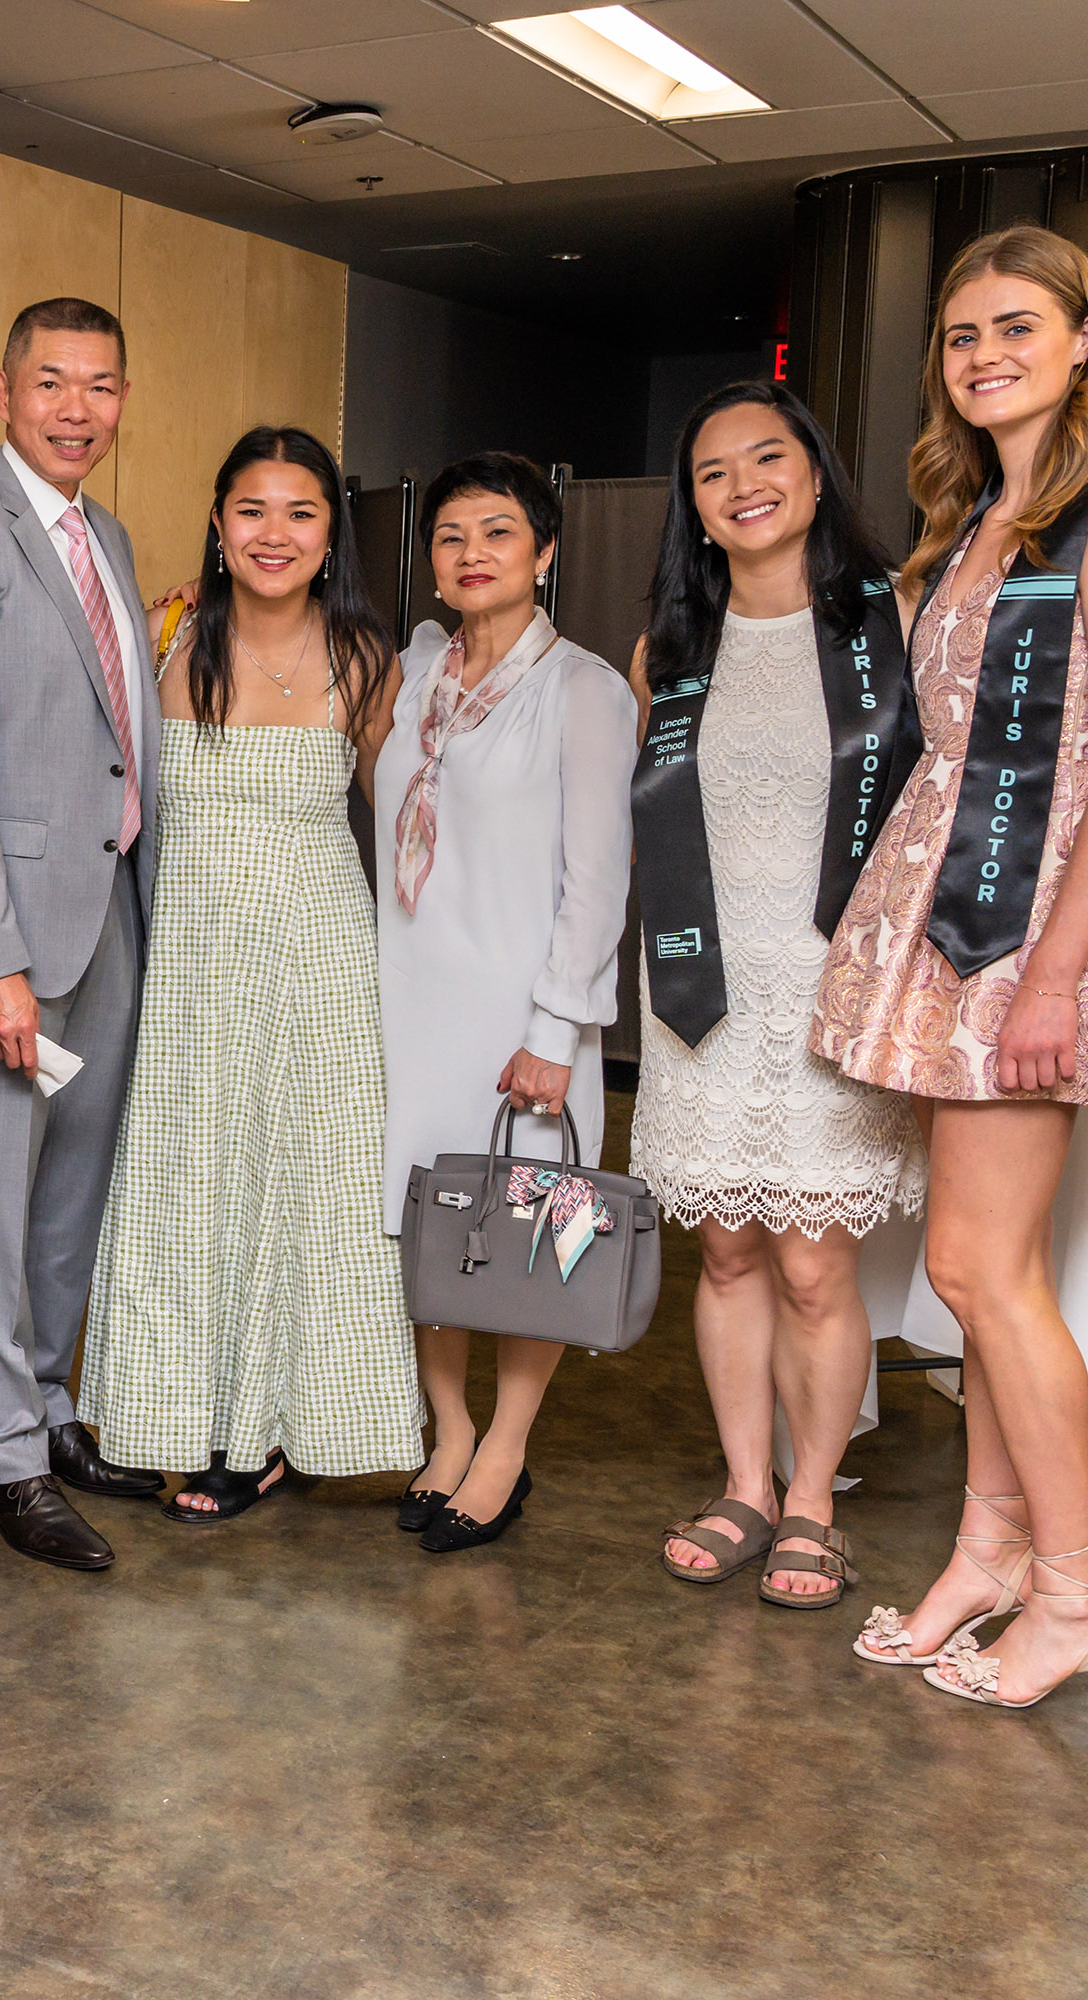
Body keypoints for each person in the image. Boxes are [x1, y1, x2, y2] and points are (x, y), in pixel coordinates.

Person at [632, 381, 1088, 1611]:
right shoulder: (665, 652)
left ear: (817, 470)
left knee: (811, 1269)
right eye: (713, 471)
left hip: (844, 977)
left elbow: (1017, 752)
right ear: (693, 506)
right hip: (701, 980)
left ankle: (812, 1500)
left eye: (767, 457)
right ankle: (742, 1481)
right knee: (724, 1254)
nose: (744, 486)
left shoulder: (893, 614)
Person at [814, 226, 1088, 1711]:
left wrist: (1053, 974)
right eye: (963, 335)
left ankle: (1074, 1593)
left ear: (1083, 339)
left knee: (979, 1269)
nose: (985, 355)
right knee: (987, 1275)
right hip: (955, 910)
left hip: (1026, 938)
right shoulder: (977, 516)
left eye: (1017, 327)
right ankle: (985, 1551)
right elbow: (1019, 741)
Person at [75, 426, 415, 1520]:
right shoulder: (165, 631)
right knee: (186, 1188)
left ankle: (276, 1432)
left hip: (318, 959)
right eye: (253, 510)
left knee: (306, 1197)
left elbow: (409, 829)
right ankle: (169, 1417)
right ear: (219, 524)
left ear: (331, 534)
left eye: (301, 512)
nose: (275, 533)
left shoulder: (369, 658)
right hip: (187, 958)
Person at [0, 296, 163, 1572]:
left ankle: (52, 1408)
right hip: (9, 937)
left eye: (100, 386)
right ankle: (4, 1455)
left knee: (72, 1193)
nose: (76, 408)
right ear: (1, 391)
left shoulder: (101, 531)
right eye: (51, 382)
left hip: (105, 911)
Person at [380, 451, 638, 1554]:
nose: (471, 553)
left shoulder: (584, 687)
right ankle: (448, 1428)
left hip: (524, 1009)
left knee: (535, 1233)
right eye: (450, 536)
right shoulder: (414, 665)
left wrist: (555, 1028)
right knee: (425, 1224)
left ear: (543, 551)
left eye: (497, 532)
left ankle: (507, 1446)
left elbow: (600, 876)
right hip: (407, 997)